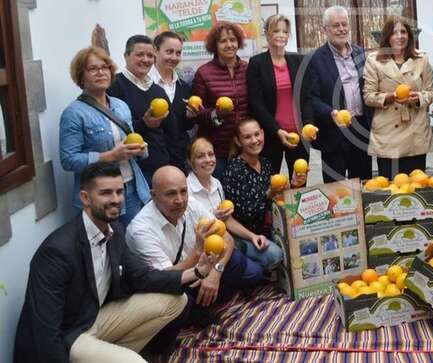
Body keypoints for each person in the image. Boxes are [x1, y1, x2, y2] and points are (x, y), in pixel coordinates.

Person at [14, 162, 214, 363]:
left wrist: (198, 272)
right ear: (85, 198)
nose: (115, 199)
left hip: (96, 318)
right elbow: (46, 331)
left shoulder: (115, 231)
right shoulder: (57, 251)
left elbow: (142, 277)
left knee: (178, 301)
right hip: (70, 334)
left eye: (119, 192)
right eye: (106, 193)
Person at [126, 166, 267, 328]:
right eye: (171, 194)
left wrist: (215, 273)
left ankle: (204, 305)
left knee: (247, 268)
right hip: (172, 285)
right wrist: (198, 251)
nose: (179, 200)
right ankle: (194, 314)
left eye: (183, 191)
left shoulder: (191, 204)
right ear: (153, 195)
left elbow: (227, 238)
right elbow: (165, 278)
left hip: (203, 269)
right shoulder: (141, 230)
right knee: (181, 303)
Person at [60, 47, 150, 225]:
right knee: (109, 247)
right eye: (92, 69)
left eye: (105, 67)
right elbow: (68, 160)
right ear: (81, 76)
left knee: (135, 245)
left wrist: (140, 150)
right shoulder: (74, 113)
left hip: (132, 189)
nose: (101, 72)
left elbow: (131, 145)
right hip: (101, 195)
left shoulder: (121, 106)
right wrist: (109, 156)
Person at [186, 136, 283, 269]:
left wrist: (252, 236)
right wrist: (214, 219)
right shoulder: (186, 191)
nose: (208, 160)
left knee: (275, 254)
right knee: (253, 271)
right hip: (205, 250)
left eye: (211, 154)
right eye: (200, 156)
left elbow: (227, 220)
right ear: (190, 162)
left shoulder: (216, 183)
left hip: (229, 241)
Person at [222, 118, 306, 267]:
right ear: (238, 141)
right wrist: (269, 193)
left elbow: (278, 202)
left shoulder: (266, 164)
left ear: (262, 134)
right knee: (276, 255)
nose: (254, 140)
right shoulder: (234, 170)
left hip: (267, 229)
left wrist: (293, 186)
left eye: (257, 134)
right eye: (247, 137)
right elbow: (244, 214)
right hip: (244, 234)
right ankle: (251, 269)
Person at [302, 6, 372, 182]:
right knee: (336, 190)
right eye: (336, 25)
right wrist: (330, 112)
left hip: (361, 128)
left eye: (344, 24)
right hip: (333, 133)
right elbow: (312, 98)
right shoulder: (314, 59)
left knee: (363, 184)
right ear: (325, 29)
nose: (341, 29)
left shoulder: (360, 53)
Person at [363, 15, 433, 179]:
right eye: (394, 32)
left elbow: (430, 92)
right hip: (388, 133)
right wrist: (391, 97)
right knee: (389, 188)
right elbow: (368, 96)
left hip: (415, 132)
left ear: (409, 35)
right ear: (387, 36)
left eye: (403, 32)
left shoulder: (421, 58)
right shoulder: (374, 60)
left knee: (417, 184)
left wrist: (417, 98)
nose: (399, 36)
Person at [107, 35, 176, 186]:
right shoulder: (113, 86)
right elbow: (111, 132)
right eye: (140, 54)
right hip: (131, 171)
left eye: (150, 55)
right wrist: (145, 124)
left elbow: (171, 132)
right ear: (126, 56)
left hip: (160, 167)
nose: (146, 59)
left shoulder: (157, 90)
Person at [247, 15, 308, 177]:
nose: (281, 35)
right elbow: (256, 103)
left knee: (299, 185)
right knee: (270, 184)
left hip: (298, 136)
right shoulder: (256, 63)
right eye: (276, 30)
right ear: (267, 34)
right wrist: (277, 130)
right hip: (270, 135)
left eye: (285, 31)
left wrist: (308, 126)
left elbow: (306, 97)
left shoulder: (298, 60)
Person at [191, 22, 249, 180]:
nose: (229, 45)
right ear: (214, 45)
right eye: (223, 41)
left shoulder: (247, 68)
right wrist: (217, 114)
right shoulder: (204, 73)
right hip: (217, 149)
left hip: (244, 147)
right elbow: (197, 112)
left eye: (233, 40)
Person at [150, 31, 196, 173]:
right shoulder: (145, 84)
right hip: (152, 162)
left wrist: (190, 117)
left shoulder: (183, 86)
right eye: (169, 52)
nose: (174, 57)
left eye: (178, 53)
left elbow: (184, 126)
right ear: (155, 51)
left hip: (179, 159)